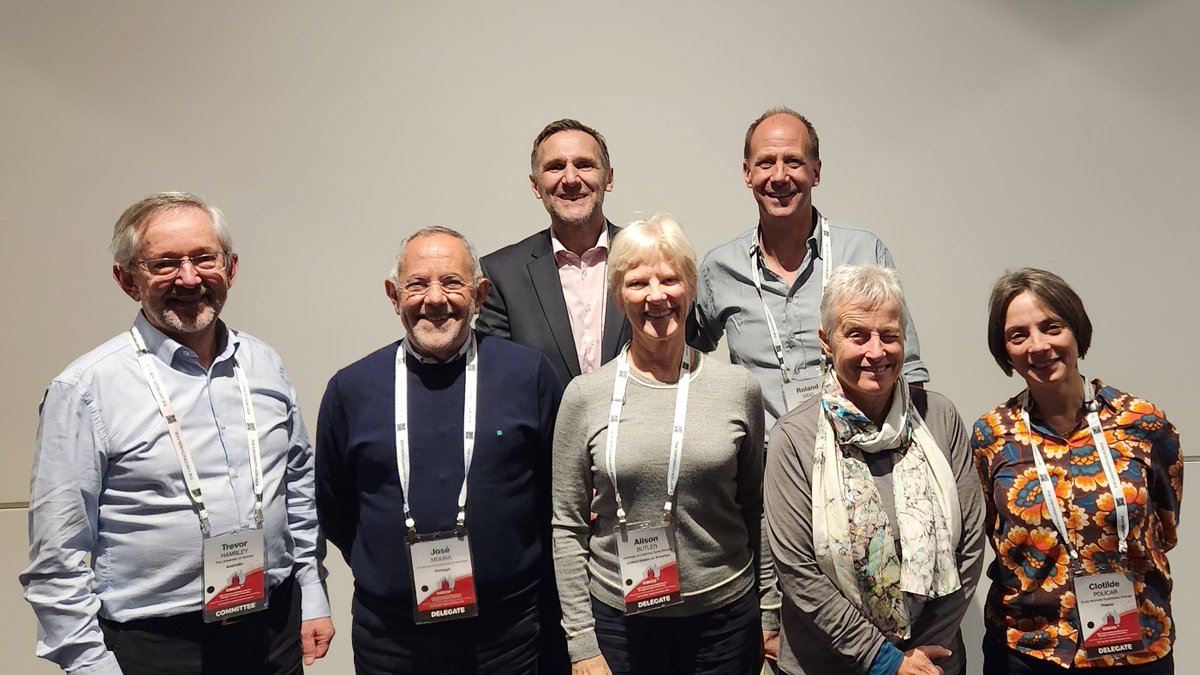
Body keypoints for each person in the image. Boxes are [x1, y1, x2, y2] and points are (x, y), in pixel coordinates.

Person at [20, 192, 333, 675]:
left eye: (204, 258)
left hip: (273, 632)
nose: (189, 278)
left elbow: (297, 492)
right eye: (165, 264)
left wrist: (312, 593)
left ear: (230, 268)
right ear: (127, 280)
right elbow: (57, 558)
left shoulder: (264, 364)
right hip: (158, 648)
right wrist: (90, 665)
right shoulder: (85, 390)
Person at [316, 227, 564, 674]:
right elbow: (334, 506)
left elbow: (557, 493)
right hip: (390, 641)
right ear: (394, 296)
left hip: (505, 637)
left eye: (452, 282)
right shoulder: (351, 389)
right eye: (417, 284)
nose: (435, 299)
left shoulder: (528, 375)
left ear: (480, 294)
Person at [552, 214, 778, 674]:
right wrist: (581, 642)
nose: (656, 296)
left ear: (690, 287)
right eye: (638, 283)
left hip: (725, 619)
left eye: (670, 279)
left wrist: (769, 608)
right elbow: (567, 526)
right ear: (618, 296)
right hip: (619, 623)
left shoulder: (738, 388)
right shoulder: (585, 396)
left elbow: (756, 505)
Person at [764, 264, 985, 675]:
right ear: (826, 342)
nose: (876, 351)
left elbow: (969, 546)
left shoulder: (939, 417)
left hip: (931, 663)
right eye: (857, 335)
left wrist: (922, 655)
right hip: (826, 664)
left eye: (889, 335)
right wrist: (886, 662)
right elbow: (798, 571)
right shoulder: (793, 438)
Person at [972, 268, 1182, 674]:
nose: (1039, 345)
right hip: (1028, 652)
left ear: (1076, 331)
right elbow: (991, 530)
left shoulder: (1143, 423)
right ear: (1005, 350)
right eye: (1019, 335)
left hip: (1136, 649)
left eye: (1052, 327)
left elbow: (1165, 527)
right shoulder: (992, 435)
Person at [689, 107, 929, 429]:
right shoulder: (720, 268)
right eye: (765, 162)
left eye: (793, 161)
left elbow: (908, 372)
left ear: (815, 172)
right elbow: (678, 356)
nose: (778, 176)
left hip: (858, 460)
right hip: (765, 467)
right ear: (747, 173)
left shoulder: (863, 253)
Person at [478, 118, 632, 387]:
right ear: (536, 185)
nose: (570, 179)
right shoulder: (502, 275)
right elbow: (498, 380)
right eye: (555, 167)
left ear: (608, 178)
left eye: (584, 164)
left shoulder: (649, 259)